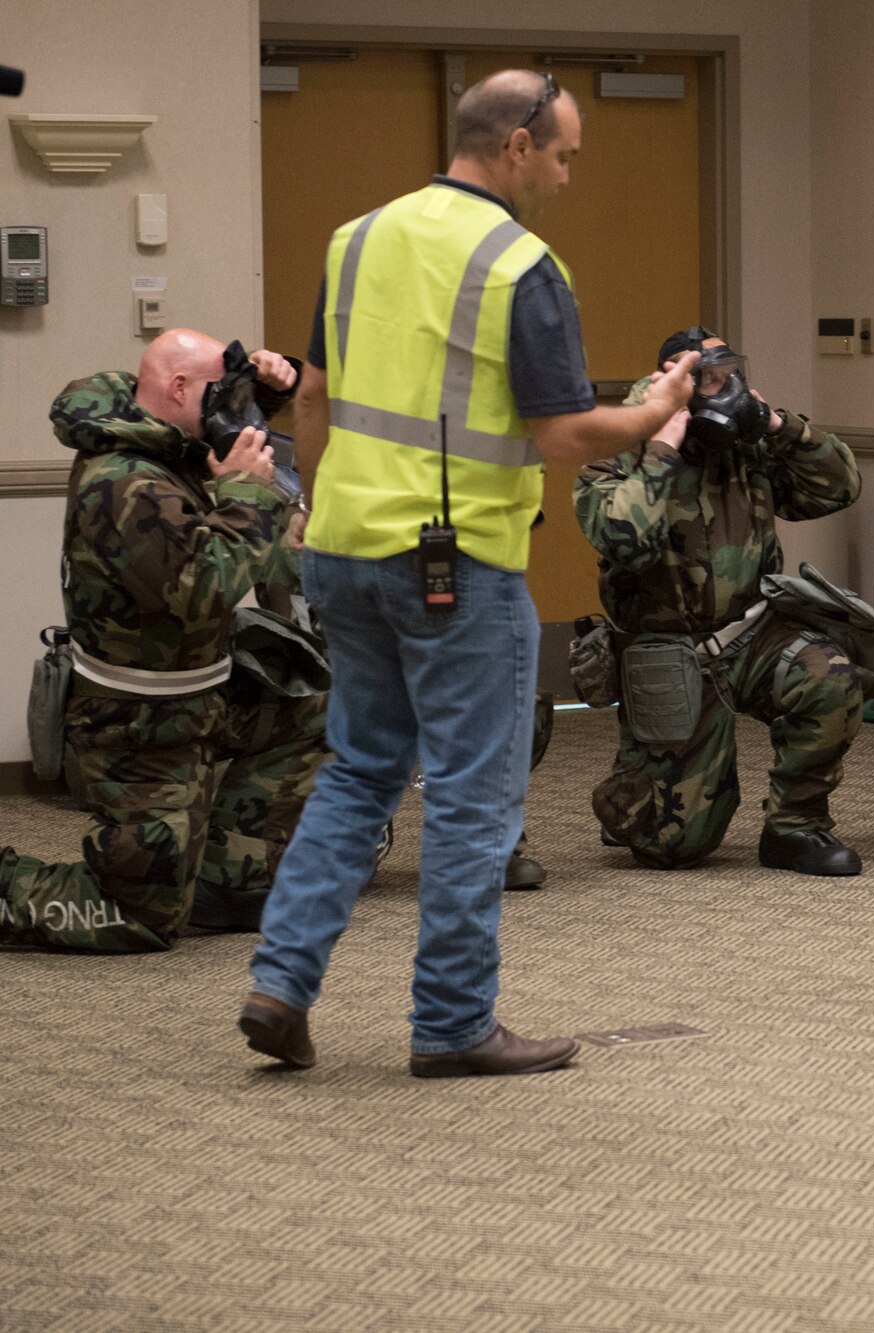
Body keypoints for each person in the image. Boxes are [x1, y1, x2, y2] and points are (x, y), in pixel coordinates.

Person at [239, 69, 698, 1078]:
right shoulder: (518, 265)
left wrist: (320, 511)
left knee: (358, 771)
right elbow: (565, 431)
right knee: (470, 789)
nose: (570, 178)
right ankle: (451, 1021)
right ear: (519, 143)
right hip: (456, 567)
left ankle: (281, 982)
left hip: (345, 549)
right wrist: (653, 406)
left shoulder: (355, 240)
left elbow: (310, 394)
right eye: (567, 154)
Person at [0, 331, 323, 951]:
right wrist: (248, 492)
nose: (231, 408)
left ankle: (230, 877)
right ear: (178, 389)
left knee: (326, 710)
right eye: (221, 395)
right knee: (137, 918)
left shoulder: (164, 440)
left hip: (205, 699)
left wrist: (264, 389)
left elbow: (214, 439)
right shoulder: (122, 482)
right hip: (138, 729)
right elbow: (205, 585)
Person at [575, 328, 867, 875]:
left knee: (831, 676)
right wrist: (662, 447)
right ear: (670, 381)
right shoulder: (619, 447)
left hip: (754, 635)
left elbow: (837, 487)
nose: (724, 387)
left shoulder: (747, 444)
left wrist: (778, 427)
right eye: (708, 378)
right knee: (673, 847)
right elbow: (622, 539)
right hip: (668, 651)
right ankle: (635, 787)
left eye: (730, 374)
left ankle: (795, 827)